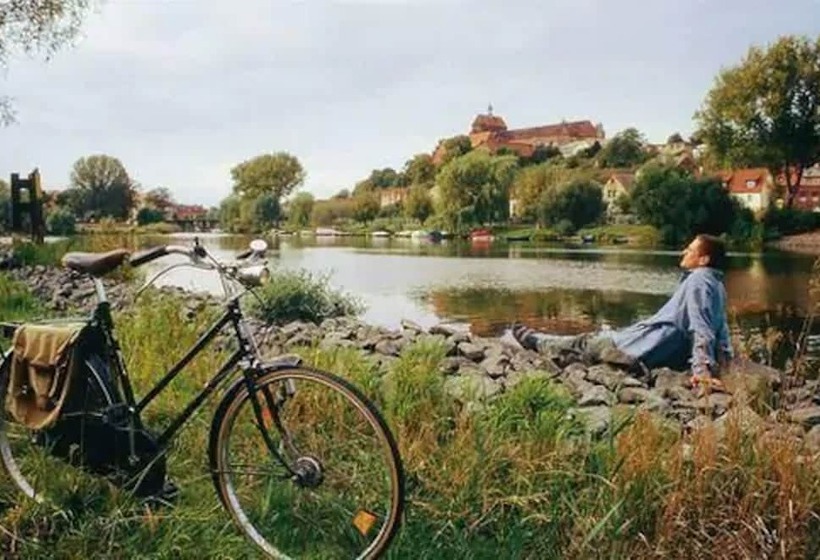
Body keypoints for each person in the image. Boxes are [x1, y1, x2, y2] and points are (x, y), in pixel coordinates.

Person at [512, 234, 733, 388]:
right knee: (594, 340)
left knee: (585, 343)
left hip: (639, 348)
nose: (685, 251)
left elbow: (701, 328)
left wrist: (702, 373)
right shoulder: (717, 285)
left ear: (703, 259)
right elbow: (720, 329)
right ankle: (540, 340)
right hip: (651, 346)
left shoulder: (698, 281)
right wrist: (726, 363)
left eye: (691, 249)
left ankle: (536, 341)